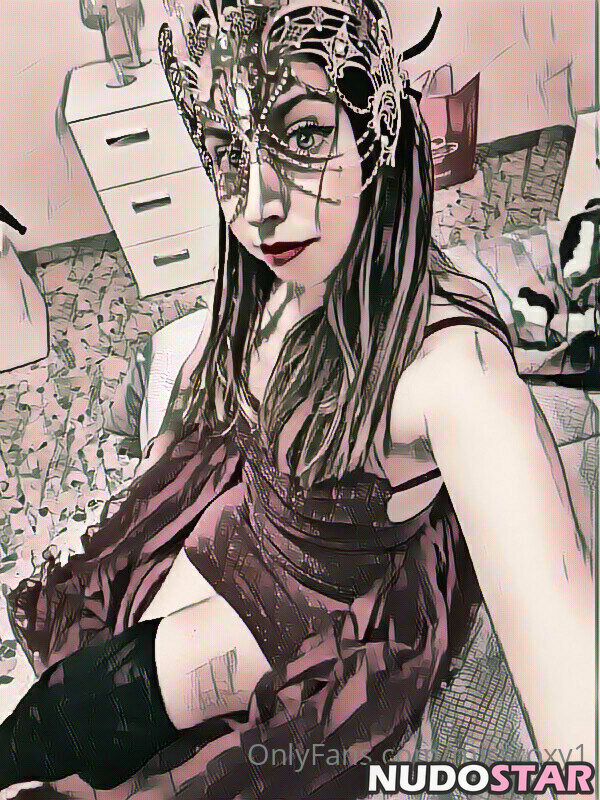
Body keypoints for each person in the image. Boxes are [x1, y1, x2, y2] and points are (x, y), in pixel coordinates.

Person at [0, 0, 595, 798]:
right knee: (64, 701)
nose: (258, 205)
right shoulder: (277, 259)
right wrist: (153, 474)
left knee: (74, 719)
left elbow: (575, 705)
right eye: (227, 151)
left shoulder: (456, 375)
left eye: (305, 134)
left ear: (374, 126)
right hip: (239, 508)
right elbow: (211, 365)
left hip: (297, 610)